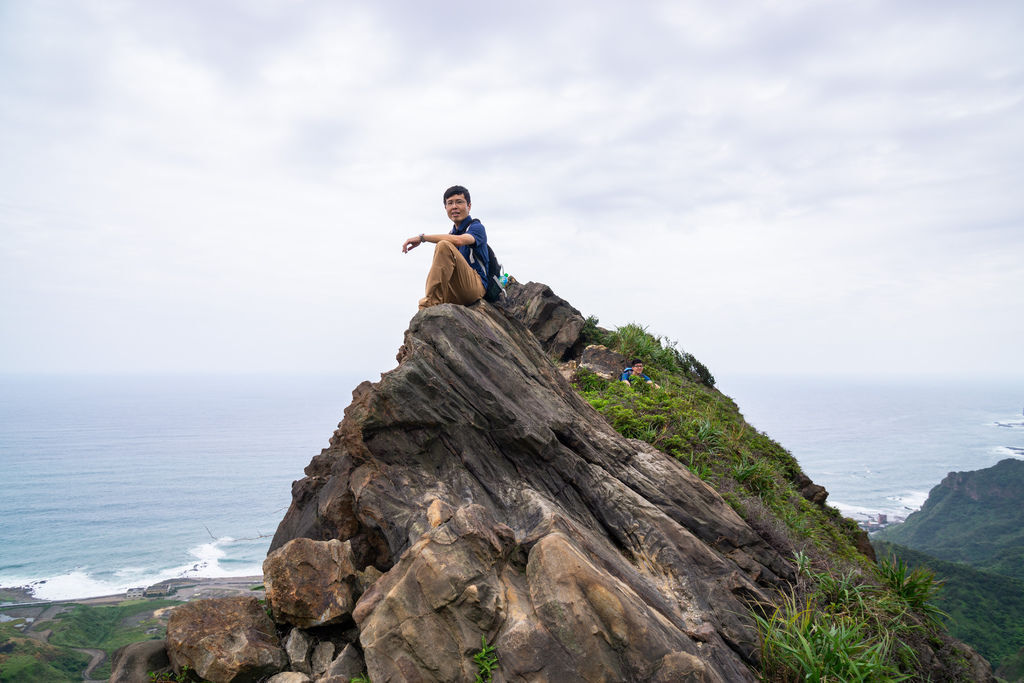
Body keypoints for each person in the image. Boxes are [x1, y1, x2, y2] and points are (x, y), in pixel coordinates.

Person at [402, 185, 489, 310]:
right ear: (445, 207)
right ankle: (428, 308)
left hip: (476, 287)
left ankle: (429, 305)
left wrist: (422, 238)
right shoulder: (451, 234)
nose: (454, 206)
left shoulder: (476, 228)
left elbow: (459, 241)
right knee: (443, 245)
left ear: (469, 206)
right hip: (456, 290)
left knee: (443, 245)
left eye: (459, 202)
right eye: (450, 203)